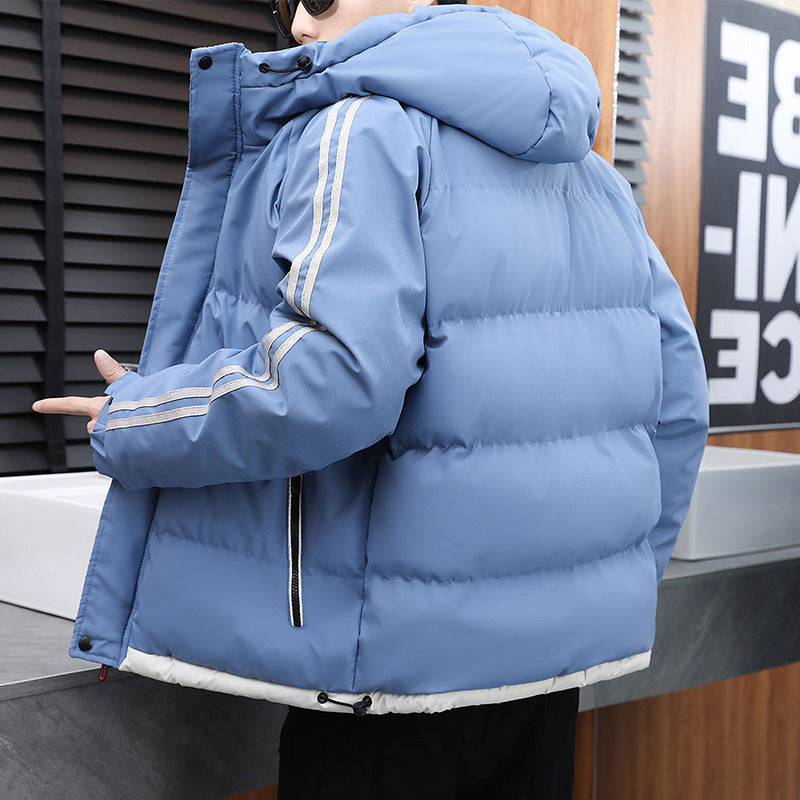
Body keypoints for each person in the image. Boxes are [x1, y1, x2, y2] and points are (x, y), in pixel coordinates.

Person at [32, 0, 710, 797]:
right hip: (544, 678)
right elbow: (679, 403)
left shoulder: (361, 128)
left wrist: (137, 418)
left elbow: (330, 379)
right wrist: (598, 586)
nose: (297, 25)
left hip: (389, 678)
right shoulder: (591, 176)